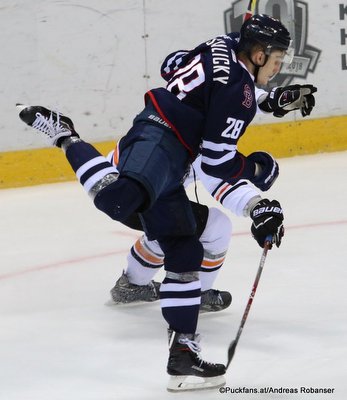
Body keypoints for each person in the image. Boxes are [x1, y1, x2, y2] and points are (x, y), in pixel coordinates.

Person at [18, 14, 317, 392]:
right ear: (257, 55)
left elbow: (173, 64)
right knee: (118, 201)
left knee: (184, 245)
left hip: (172, 160)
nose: (279, 68)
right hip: (156, 139)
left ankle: (183, 354)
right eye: (276, 60)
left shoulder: (221, 45)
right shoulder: (235, 98)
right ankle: (65, 134)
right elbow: (218, 164)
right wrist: (257, 170)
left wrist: (269, 100)